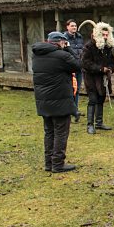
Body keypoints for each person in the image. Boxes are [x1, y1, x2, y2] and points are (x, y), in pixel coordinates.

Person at [32, 31, 79, 173]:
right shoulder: (62, 55)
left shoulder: (36, 55)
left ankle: (49, 163)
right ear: (60, 42)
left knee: (49, 132)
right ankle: (58, 164)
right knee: (61, 132)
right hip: (60, 100)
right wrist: (68, 49)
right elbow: (77, 64)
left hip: (44, 100)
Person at [81, 22, 114, 134]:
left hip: (103, 79)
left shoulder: (108, 47)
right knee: (93, 100)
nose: (105, 37)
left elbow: (112, 62)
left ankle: (99, 123)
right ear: (98, 34)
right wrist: (101, 69)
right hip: (91, 77)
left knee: (101, 99)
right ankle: (90, 125)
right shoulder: (89, 46)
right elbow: (85, 63)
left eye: (107, 35)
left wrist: (110, 68)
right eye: (103, 35)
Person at [63, 19, 85, 122]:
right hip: (70, 67)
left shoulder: (80, 37)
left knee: (78, 90)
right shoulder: (64, 38)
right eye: (72, 26)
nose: (74, 27)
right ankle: (70, 110)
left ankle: (75, 110)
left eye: (75, 26)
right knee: (71, 90)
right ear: (67, 27)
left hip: (79, 67)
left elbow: (82, 50)